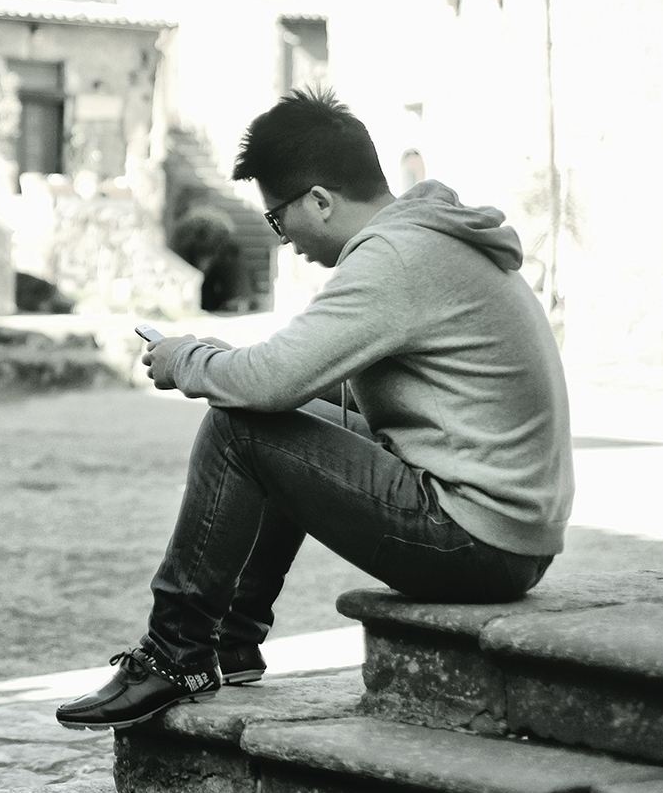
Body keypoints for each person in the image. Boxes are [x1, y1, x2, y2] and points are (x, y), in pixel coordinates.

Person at [57, 88, 572, 730]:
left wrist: (187, 361)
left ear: (320, 200)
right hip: (508, 532)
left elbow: (269, 385)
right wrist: (223, 361)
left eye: (278, 219)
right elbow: (308, 383)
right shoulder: (426, 239)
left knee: (239, 427)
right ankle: (229, 643)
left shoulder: (395, 257)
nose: (284, 239)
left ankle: (174, 653)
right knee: (267, 417)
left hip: (476, 540)